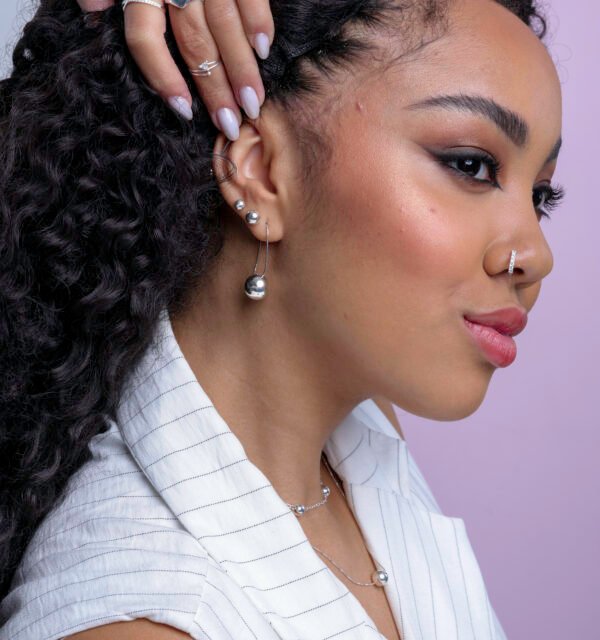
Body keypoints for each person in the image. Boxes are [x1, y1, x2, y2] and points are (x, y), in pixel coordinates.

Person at [0, 0, 564, 638]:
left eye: (541, 195)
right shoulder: (151, 617)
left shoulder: (354, 434)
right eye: (471, 165)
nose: (536, 255)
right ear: (261, 171)